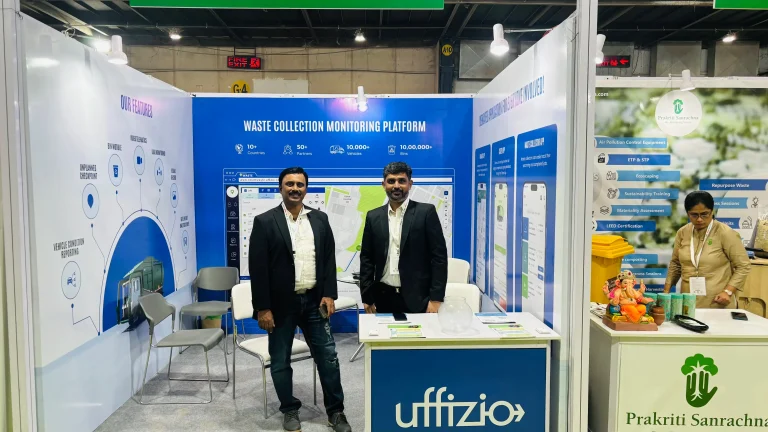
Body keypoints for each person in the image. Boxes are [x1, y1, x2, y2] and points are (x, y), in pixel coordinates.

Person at [248, 167, 351, 432]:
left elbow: (328, 259)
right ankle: (289, 409)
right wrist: (263, 308)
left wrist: (329, 293)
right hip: (280, 306)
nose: (295, 189)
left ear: (306, 188)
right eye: (290, 184)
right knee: (280, 360)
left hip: (315, 302)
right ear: (280, 187)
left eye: (300, 184)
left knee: (328, 358)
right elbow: (258, 269)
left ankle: (336, 411)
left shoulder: (320, 219)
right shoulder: (265, 221)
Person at [359, 162, 448, 314]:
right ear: (383, 184)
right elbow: (367, 258)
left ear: (410, 184)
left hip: (419, 299)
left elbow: (439, 258)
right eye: (391, 181)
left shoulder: (426, 213)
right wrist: (367, 296)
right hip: (383, 297)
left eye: (401, 181)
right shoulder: (373, 216)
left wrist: (436, 299)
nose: (396, 186)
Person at [664, 191, 751, 309]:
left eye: (704, 214)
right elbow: (675, 264)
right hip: (687, 301)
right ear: (688, 214)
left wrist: (728, 291)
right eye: (694, 215)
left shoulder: (725, 233)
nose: (699, 219)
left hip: (717, 302)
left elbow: (743, 266)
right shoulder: (682, 233)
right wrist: (665, 292)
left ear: (712, 211)